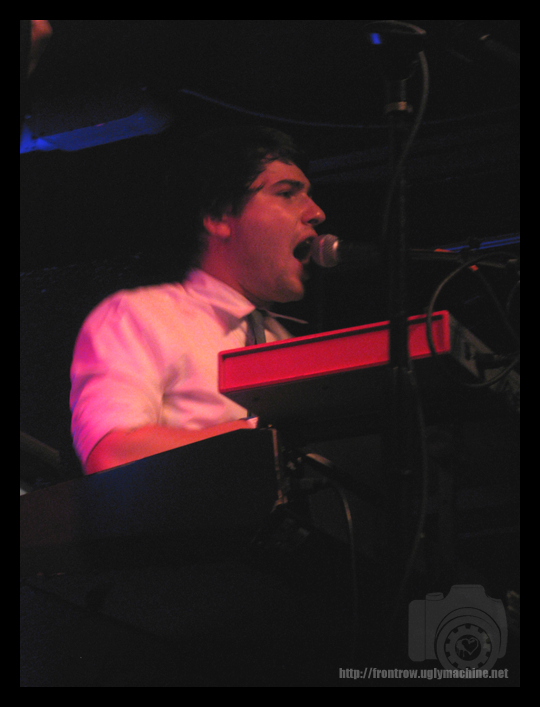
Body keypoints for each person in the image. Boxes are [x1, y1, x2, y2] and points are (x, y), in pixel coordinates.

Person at [70, 125, 326, 474]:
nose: (316, 212)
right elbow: (113, 455)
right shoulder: (138, 316)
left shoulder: (284, 342)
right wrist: (261, 437)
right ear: (219, 216)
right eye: (286, 194)